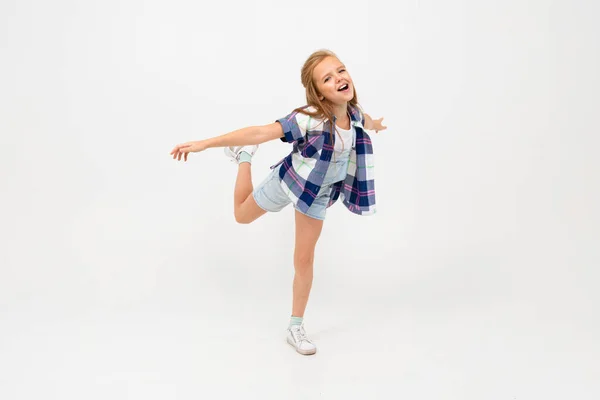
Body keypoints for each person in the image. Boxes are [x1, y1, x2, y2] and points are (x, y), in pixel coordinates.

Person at [170, 49, 386, 355]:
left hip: (315, 195)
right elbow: (261, 131)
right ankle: (244, 156)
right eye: (327, 78)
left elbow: (366, 120)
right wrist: (207, 143)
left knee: (304, 260)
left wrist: (375, 123)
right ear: (319, 94)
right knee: (241, 216)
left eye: (340, 70)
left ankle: (295, 326)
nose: (339, 78)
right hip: (289, 181)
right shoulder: (308, 118)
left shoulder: (353, 115)